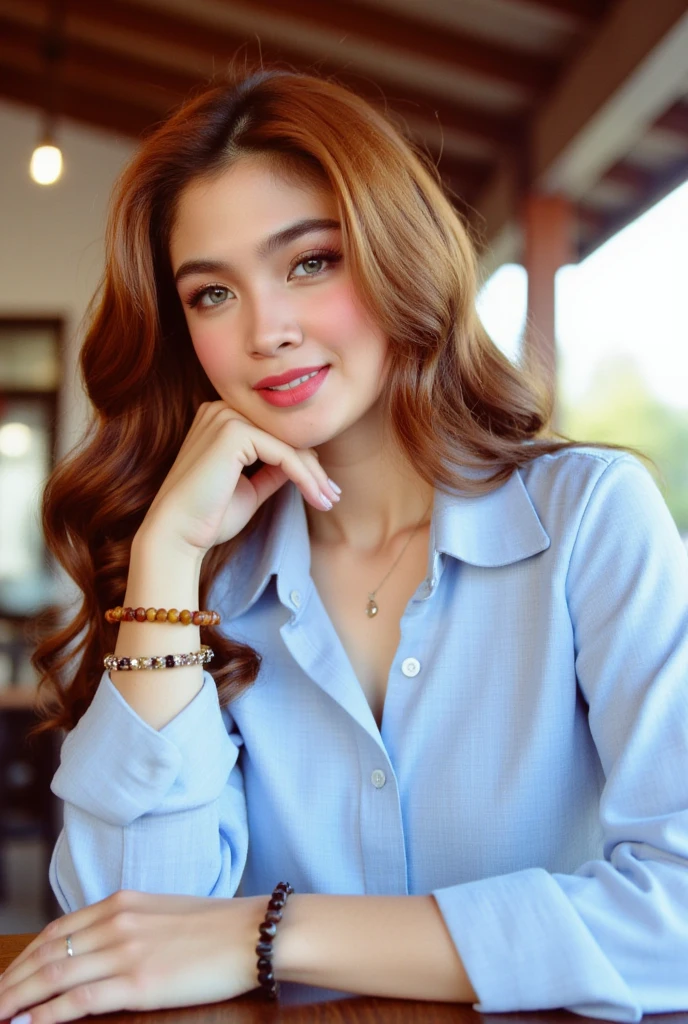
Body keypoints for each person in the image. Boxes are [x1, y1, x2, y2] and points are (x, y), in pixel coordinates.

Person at [0, 65, 686, 1024]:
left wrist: (270, 933)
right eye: (210, 294)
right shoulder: (208, 577)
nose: (265, 330)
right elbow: (127, 934)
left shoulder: (588, 522)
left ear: (398, 255)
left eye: (310, 262)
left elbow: (679, 915)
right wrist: (165, 561)